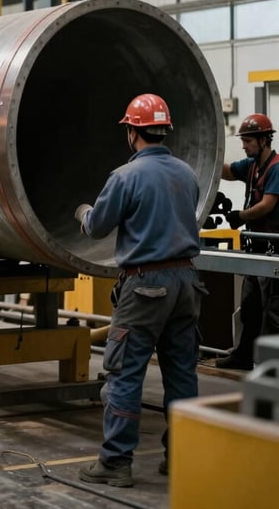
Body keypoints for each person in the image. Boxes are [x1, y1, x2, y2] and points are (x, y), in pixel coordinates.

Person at [74, 93, 205, 487]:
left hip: (146, 285)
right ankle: (181, 457)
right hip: (187, 282)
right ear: (163, 131)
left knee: (124, 374)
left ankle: (115, 462)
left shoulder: (125, 177)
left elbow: (98, 227)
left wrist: (82, 212)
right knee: (182, 375)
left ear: (132, 132)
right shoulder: (187, 173)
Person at [216, 113, 279, 370]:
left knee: (273, 313)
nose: (244, 146)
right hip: (255, 249)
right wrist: (209, 154)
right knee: (250, 308)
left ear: (264, 140)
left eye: (248, 141)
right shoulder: (252, 166)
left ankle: (271, 367)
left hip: (273, 252)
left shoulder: (276, 168)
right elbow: (229, 172)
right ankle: (243, 356)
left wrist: (239, 216)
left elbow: (267, 205)